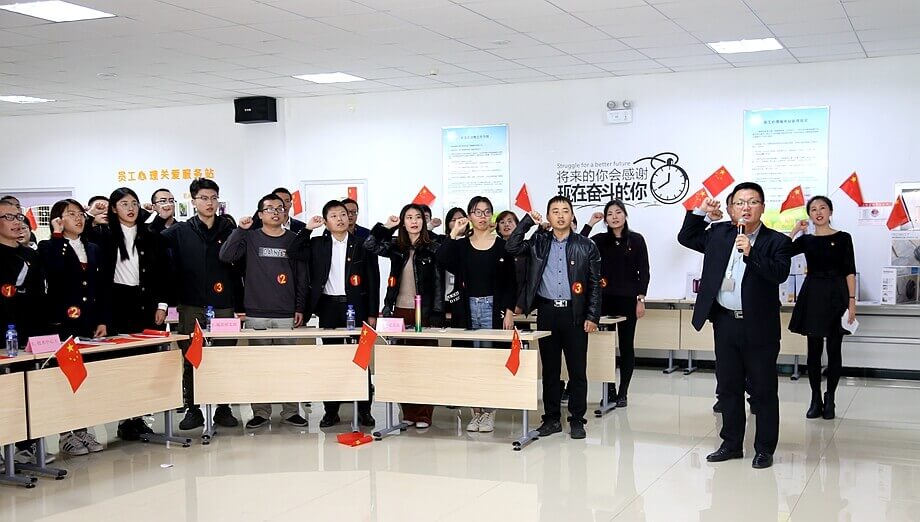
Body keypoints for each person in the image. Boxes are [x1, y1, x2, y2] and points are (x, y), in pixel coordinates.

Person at [677, 182, 792, 470]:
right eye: (739, 202)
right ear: (731, 208)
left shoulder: (777, 241)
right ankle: (731, 444)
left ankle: (764, 448)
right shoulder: (719, 233)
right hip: (725, 322)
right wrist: (701, 212)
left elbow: (779, 274)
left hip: (759, 326)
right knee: (728, 386)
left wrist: (752, 252)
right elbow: (686, 236)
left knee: (763, 390)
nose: (745, 207)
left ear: (762, 207)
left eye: (752, 202)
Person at [506, 196, 601, 440]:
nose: (560, 215)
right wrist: (528, 221)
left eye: (565, 211)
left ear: (572, 216)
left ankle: (577, 419)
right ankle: (551, 419)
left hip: (575, 314)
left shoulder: (586, 245)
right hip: (547, 312)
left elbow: (594, 284)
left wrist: (592, 316)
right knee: (550, 370)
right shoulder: (539, 241)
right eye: (555, 211)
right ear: (548, 216)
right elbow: (512, 247)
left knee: (577, 370)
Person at [156, 179, 241, 431]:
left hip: (224, 303)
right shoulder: (180, 231)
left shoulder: (229, 228)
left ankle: (223, 407)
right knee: (191, 358)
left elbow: (239, 268)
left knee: (224, 356)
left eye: (214, 198)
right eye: (204, 198)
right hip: (191, 303)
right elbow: (153, 241)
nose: (209, 203)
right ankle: (193, 409)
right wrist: (158, 216)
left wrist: (240, 304)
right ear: (193, 201)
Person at [219, 194, 309, 429]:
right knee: (258, 366)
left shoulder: (293, 239)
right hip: (256, 312)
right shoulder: (250, 237)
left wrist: (300, 307)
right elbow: (226, 255)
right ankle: (260, 412)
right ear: (260, 214)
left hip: (286, 313)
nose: (275, 212)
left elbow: (302, 277)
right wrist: (240, 230)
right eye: (269, 208)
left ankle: (291, 411)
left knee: (288, 367)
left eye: (279, 208)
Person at [88, 187, 172, 440]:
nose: (131, 208)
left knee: (146, 363)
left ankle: (140, 417)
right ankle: (124, 417)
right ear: (114, 208)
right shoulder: (103, 236)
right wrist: (90, 214)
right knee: (121, 363)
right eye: (124, 204)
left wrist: (162, 305)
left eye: (134, 203)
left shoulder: (151, 236)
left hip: (146, 303)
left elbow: (164, 273)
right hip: (117, 304)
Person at [291, 200, 378, 428]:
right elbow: (293, 251)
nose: (340, 219)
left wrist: (372, 313)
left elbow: (373, 279)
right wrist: (307, 229)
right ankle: (331, 411)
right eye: (333, 215)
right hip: (329, 307)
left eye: (343, 214)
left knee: (361, 359)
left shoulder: (361, 244)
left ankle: (365, 410)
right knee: (332, 359)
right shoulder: (317, 243)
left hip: (357, 307)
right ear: (326, 222)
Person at [436, 196, 516, 433]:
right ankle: (476, 412)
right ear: (469, 216)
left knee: (491, 361)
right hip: (467, 310)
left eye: (487, 212)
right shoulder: (461, 246)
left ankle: (489, 412)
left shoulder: (501, 245)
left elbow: (511, 282)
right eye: (477, 212)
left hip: (493, 308)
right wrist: (454, 233)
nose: (482, 216)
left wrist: (509, 311)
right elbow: (440, 259)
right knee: (470, 362)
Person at [364, 204, 443, 428]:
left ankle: (424, 414)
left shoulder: (433, 246)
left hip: (424, 312)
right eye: (409, 217)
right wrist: (386, 226)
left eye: (418, 217)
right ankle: (408, 412)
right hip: (398, 310)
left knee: (424, 364)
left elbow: (438, 282)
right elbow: (369, 245)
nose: (414, 221)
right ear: (403, 222)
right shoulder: (396, 246)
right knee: (402, 364)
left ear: (424, 222)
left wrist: (437, 311)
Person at [38, 199, 107, 456]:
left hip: (89, 323)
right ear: (58, 220)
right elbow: (54, 273)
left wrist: (102, 319)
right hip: (63, 323)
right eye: (71, 214)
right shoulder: (49, 246)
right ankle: (66, 434)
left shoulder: (93, 248)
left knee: (85, 379)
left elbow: (101, 286)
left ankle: (83, 430)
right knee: (65, 379)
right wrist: (57, 236)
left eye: (80, 214)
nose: (78, 218)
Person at [788, 196, 856, 420]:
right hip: (814, 295)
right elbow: (783, 251)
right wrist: (795, 230)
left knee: (834, 350)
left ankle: (830, 398)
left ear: (830, 211)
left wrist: (852, 302)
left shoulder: (844, 238)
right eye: (813, 209)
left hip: (837, 295)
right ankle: (815, 398)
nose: (818, 212)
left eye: (823, 208)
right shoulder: (807, 240)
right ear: (809, 215)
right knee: (814, 350)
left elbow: (849, 270)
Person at [0, 199, 56, 465]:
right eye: (8, 217)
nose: (16, 222)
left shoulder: (31, 255)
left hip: (28, 335)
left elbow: (39, 296)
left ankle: (26, 446)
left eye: (18, 217)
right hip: (2, 333)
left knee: (27, 392)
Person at [582, 200, 650, 407]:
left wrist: (641, 299)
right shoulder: (600, 240)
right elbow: (578, 245)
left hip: (628, 300)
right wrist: (590, 224)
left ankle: (623, 392)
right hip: (604, 300)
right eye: (609, 214)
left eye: (618, 212)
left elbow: (644, 271)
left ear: (625, 215)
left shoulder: (636, 240)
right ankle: (609, 389)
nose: (614, 217)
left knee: (626, 346)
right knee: (606, 347)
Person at [441, 207, 467, 328]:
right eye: (453, 220)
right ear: (448, 223)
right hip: (445, 295)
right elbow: (440, 258)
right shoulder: (443, 241)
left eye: (461, 219)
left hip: (463, 296)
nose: (458, 222)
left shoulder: (471, 241)